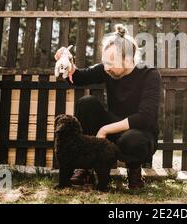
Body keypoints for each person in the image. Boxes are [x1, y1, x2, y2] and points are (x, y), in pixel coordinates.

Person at [54, 24, 161, 189]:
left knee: (133, 140)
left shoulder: (150, 74)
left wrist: (104, 130)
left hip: (140, 133)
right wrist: (68, 63)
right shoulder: (107, 69)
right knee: (87, 103)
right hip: (113, 125)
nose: (106, 67)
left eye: (110, 62)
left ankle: (134, 170)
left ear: (128, 58)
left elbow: (145, 117)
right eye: (104, 62)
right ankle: (86, 169)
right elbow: (79, 77)